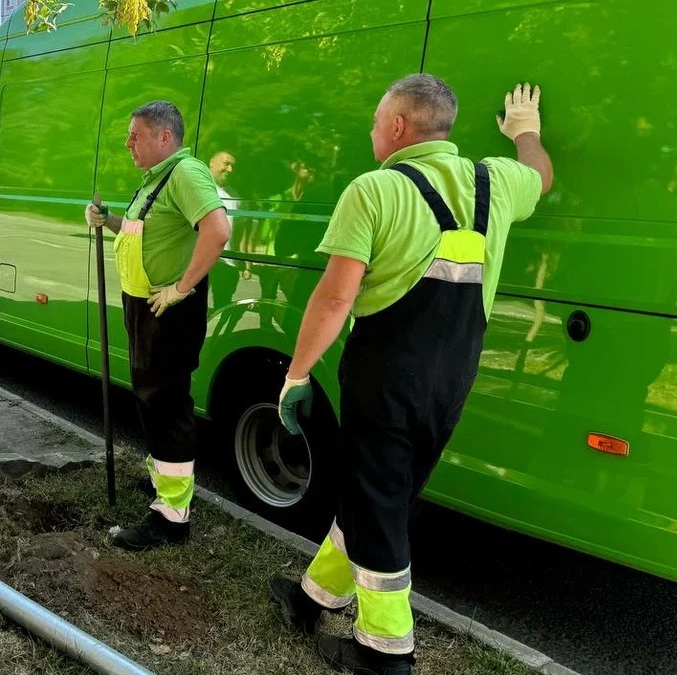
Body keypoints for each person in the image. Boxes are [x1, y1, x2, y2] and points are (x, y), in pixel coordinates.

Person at [269, 75, 553, 674]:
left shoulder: (374, 190)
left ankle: (385, 652)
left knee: (381, 506)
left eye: (376, 122)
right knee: (379, 496)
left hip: (385, 374)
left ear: (398, 127)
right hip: (452, 377)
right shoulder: (495, 180)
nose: (372, 131)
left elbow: (333, 299)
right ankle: (311, 598)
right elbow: (542, 177)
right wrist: (526, 135)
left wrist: (297, 375)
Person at [85, 101, 232, 551]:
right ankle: (165, 489)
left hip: (167, 310)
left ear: (164, 137)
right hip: (145, 306)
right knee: (152, 400)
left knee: (166, 404)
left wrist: (182, 288)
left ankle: (172, 518)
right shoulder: (156, 179)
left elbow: (218, 230)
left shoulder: (185, 174)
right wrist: (106, 219)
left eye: (136, 135)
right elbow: (144, 234)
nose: (128, 143)